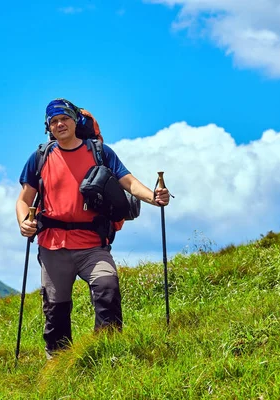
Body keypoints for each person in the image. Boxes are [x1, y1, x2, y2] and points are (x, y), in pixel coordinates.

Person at [16, 98, 170, 357]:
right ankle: (59, 364)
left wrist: (154, 197)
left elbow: (129, 182)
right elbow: (23, 200)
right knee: (56, 309)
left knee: (107, 288)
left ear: (75, 121)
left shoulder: (100, 152)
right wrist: (24, 223)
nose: (59, 124)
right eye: (53, 121)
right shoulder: (40, 157)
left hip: (92, 244)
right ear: (48, 128)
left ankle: (107, 352)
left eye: (64, 118)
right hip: (53, 245)